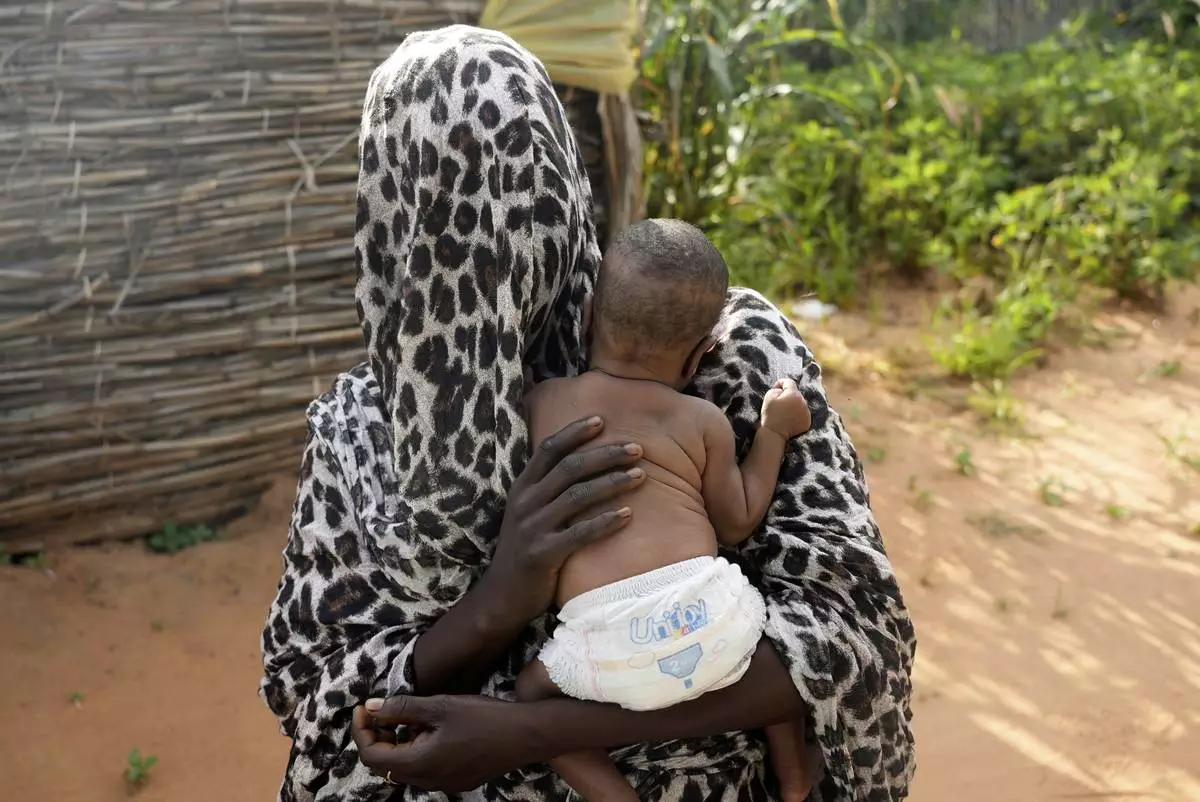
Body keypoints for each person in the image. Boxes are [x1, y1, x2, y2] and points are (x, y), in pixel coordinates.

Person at [260, 24, 917, 802]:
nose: (487, 248)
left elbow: (854, 635)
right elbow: (322, 697)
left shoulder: (730, 352)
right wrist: (500, 595)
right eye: (449, 213)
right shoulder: (359, 432)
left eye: (514, 196)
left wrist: (533, 730)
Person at [514, 218, 815, 802]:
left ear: (586, 321)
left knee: (528, 700)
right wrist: (775, 432)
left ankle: (615, 795)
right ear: (701, 354)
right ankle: (794, 772)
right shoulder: (700, 420)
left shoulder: (542, 405)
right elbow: (736, 521)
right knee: (773, 644)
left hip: (602, 642)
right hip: (711, 618)